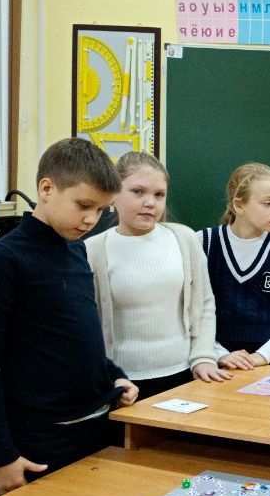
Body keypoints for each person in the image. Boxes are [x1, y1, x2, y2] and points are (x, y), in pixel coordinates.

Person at [0, 138, 139, 496]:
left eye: (101, 210)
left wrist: (114, 376)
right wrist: (0, 455)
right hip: (40, 441)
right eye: (83, 205)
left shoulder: (76, 250)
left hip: (95, 426)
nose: (91, 219)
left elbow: (75, 336)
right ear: (46, 189)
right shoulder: (3, 259)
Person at [86, 152, 231, 401]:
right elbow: (89, 324)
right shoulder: (92, 249)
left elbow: (205, 303)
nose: (150, 202)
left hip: (184, 374)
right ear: (113, 194)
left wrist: (204, 357)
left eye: (159, 195)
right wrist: (109, 378)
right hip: (124, 382)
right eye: (138, 192)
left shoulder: (184, 239)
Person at [199, 163, 270, 370]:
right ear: (239, 205)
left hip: (264, 362)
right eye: (267, 203)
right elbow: (187, 309)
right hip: (211, 361)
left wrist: (264, 354)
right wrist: (218, 353)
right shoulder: (203, 243)